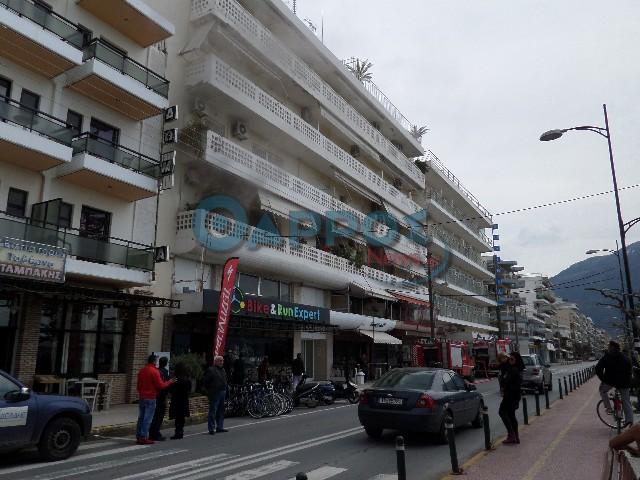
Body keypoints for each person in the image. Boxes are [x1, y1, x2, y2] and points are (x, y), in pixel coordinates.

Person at [136, 354, 174, 445]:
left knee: (141, 417)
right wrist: (169, 382)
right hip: (151, 397)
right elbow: (161, 385)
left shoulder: (142, 370)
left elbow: (138, 385)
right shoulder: (154, 371)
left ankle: (139, 435)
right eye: (156, 361)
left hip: (142, 396)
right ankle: (143, 436)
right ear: (154, 361)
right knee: (147, 418)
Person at [596, 340, 634, 427]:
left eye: (609, 346)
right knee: (626, 401)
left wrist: (604, 379)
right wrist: (628, 380)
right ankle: (629, 420)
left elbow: (598, 369)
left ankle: (609, 408)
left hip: (610, 382)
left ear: (611, 347)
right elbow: (630, 370)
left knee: (602, 390)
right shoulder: (624, 357)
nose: (608, 348)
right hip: (624, 383)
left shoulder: (607, 357)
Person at [499, 352, 525, 445]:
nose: (510, 360)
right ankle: (515, 437)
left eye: (512, 359)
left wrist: (503, 380)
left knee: (502, 412)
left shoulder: (514, 370)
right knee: (511, 415)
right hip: (513, 396)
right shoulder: (514, 369)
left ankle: (511, 434)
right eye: (509, 358)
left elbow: (506, 381)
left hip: (510, 396)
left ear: (516, 360)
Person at [203, 355, 228, 435]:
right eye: (220, 360)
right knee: (213, 410)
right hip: (215, 392)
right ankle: (211, 428)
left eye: (222, 360)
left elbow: (225, 379)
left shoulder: (223, 370)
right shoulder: (211, 370)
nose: (222, 362)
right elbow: (205, 382)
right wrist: (211, 390)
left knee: (221, 410)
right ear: (216, 361)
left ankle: (220, 427)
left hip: (222, 391)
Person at [149, 356, 170, 441]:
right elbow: (165, 386)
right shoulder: (165, 372)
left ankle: (152, 432)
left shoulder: (157, 371)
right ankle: (156, 433)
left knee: (155, 416)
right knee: (159, 416)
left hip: (155, 396)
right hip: (161, 396)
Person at [168, 363, 191, 440]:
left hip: (176, 400)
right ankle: (181, 431)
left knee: (177, 417)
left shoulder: (175, 379)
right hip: (184, 400)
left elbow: (170, 389)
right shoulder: (186, 378)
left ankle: (177, 432)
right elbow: (189, 389)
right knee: (181, 417)